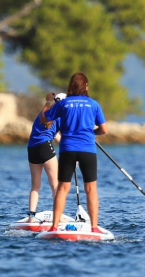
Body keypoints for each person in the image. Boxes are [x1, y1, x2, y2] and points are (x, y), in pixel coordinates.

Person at [40, 72, 109, 232]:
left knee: (63, 188)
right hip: (88, 150)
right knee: (91, 189)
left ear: (71, 86)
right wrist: (92, 133)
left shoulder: (63, 104)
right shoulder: (93, 104)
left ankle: (54, 226)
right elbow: (104, 130)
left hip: (67, 149)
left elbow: (44, 119)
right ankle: (94, 227)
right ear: (85, 86)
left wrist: (48, 102)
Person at [25, 92, 62, 221]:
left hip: (32, 148)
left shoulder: (44, 113)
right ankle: (58, 218)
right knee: (56, 185)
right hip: (45, 147)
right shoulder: (62, 117)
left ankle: (31, 217)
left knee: (35, 186)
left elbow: (55, 135)